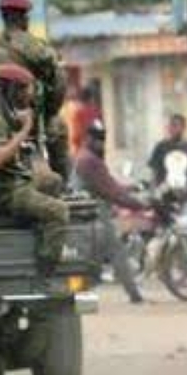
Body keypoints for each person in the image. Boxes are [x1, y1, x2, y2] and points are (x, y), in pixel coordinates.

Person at [0, 63, 68, 271]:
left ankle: (32, 225)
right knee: (59, 211)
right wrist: (25, 129)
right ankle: (45, 268)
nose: (30, 94)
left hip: (11, 182)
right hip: (5, 191)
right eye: (26, 88)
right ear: (11, 90)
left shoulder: (5, 113)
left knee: (53, 181)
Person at [0, 0, 70, 181]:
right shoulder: (31, 46)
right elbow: (58, 79)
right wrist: (51, 111)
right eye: (26, 17)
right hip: (27, 118)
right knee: (58, 128)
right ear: (21, 18)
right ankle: (64, 185)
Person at [72, 119, 146, 303]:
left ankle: (82, 293)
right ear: (89, 138)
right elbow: (111, 191)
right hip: (93, 215)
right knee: (117, 253)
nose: (101, 143)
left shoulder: (85, 157)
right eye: (97, 139)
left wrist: (132, 187)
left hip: (86, 215)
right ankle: (134, 294)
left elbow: (109, 183)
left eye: (102, 139)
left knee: (93, 258)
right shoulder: (89, 161)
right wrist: (138, 204)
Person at [148, 113, 187, 191]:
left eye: (175, 125)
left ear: (183, 128)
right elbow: (154, 170)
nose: (171, 128)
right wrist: (153, 188)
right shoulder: (161, 146)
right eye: (170, 125)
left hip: (184, 190)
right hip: (164, 190)